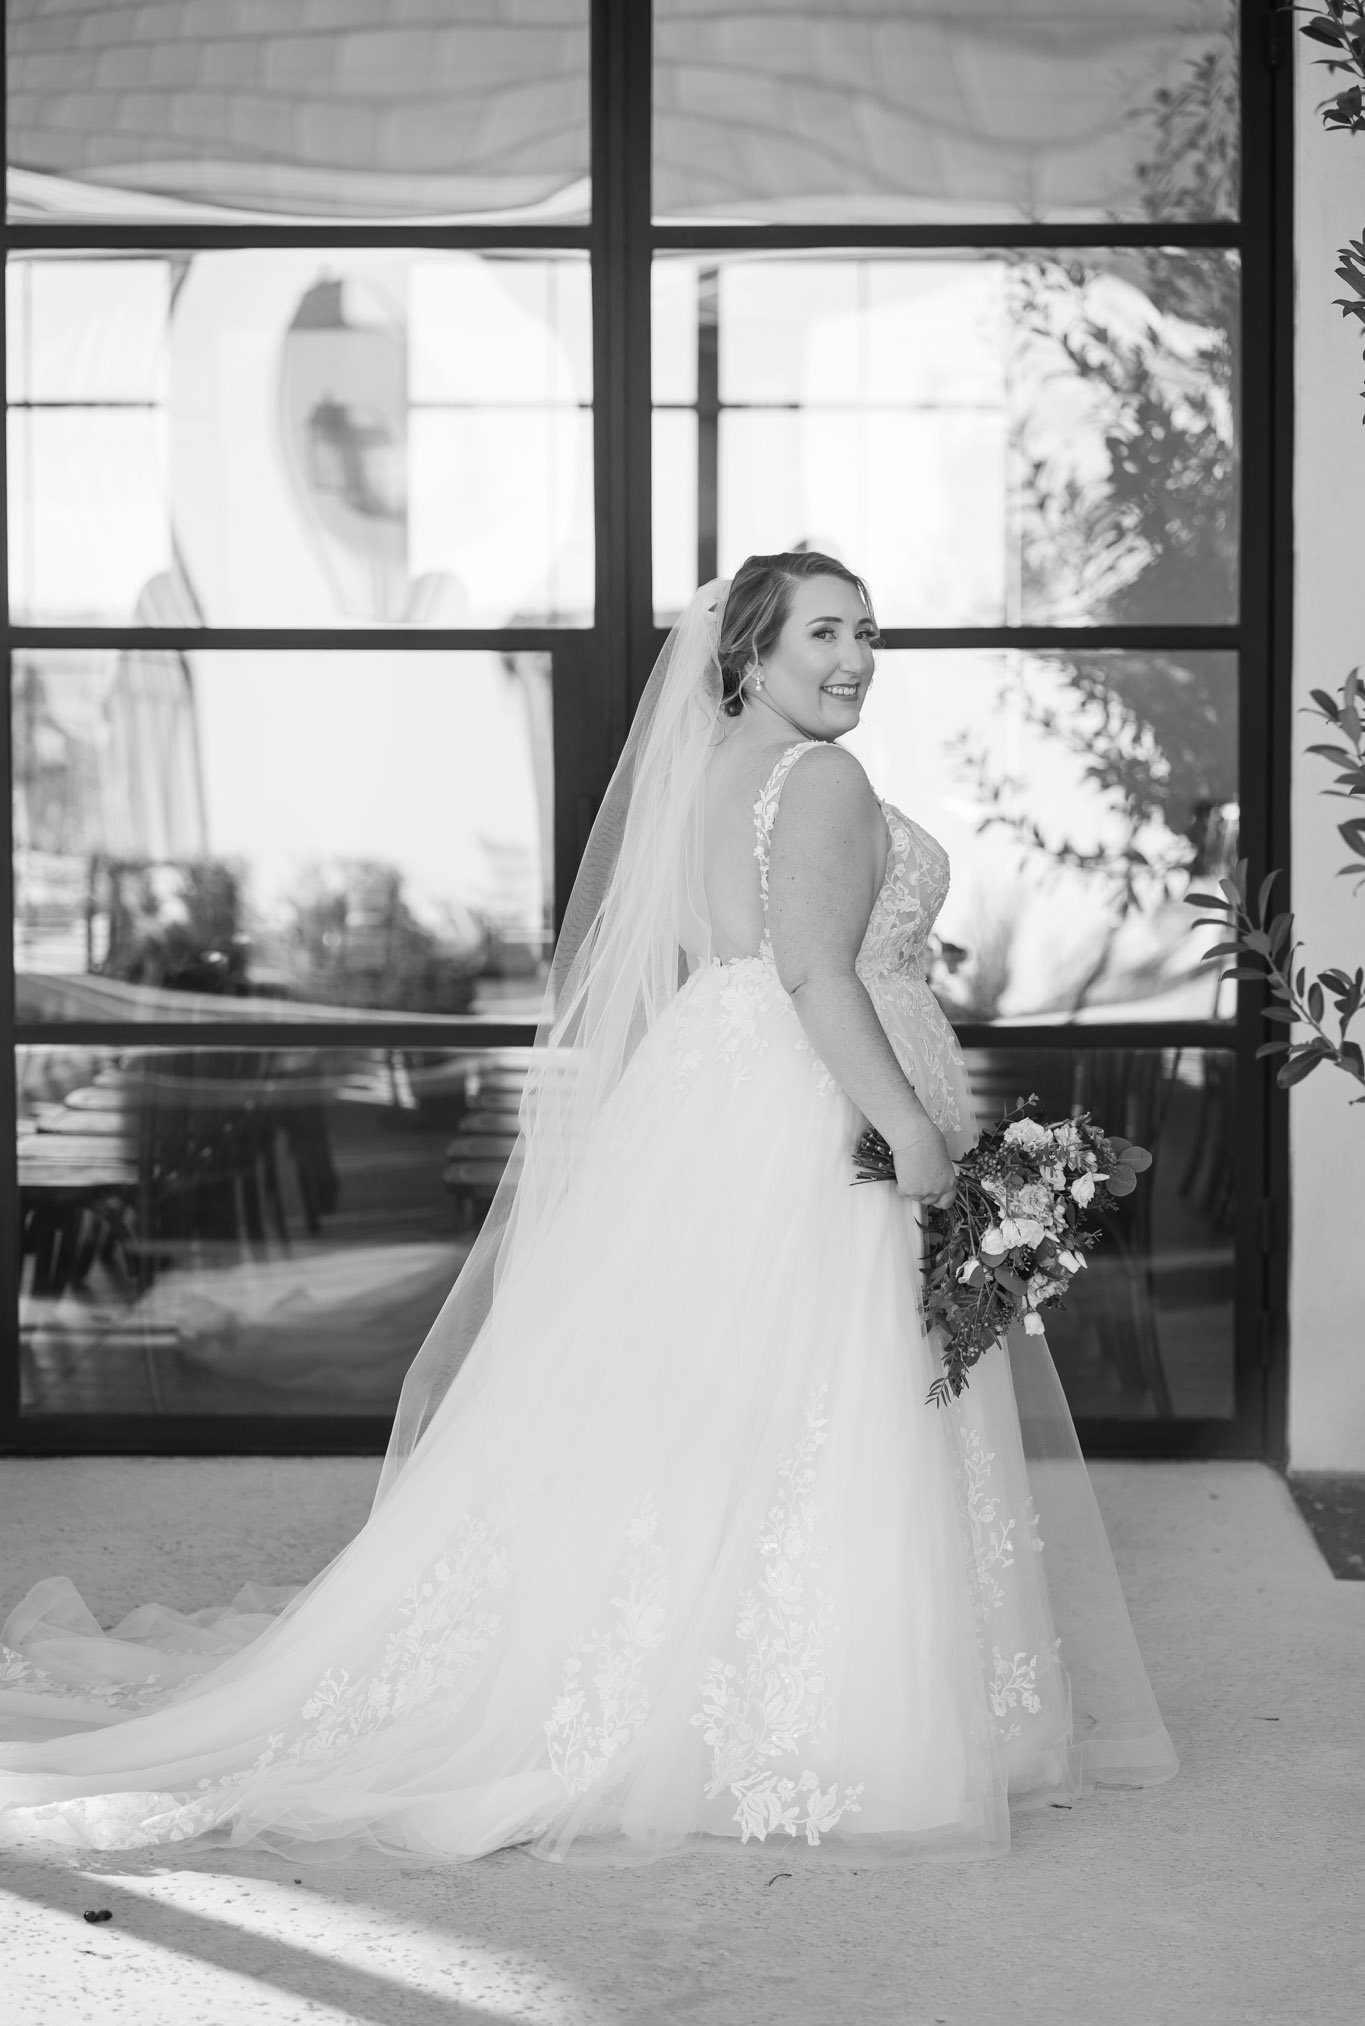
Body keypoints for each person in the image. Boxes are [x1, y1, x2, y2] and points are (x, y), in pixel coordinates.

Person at [0, 554, 1176, 1864]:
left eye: (867, 632)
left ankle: (665, 1662)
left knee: (712, 1402)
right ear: (745, 653)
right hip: (817, 1103)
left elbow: (739, 954)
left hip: (724, 1090)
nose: (854, 658)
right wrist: (910, 1132)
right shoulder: (825, 777)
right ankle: (808, 1715)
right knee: (819, 1402)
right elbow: (810, 971)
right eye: (823, 633)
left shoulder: (714, 769)